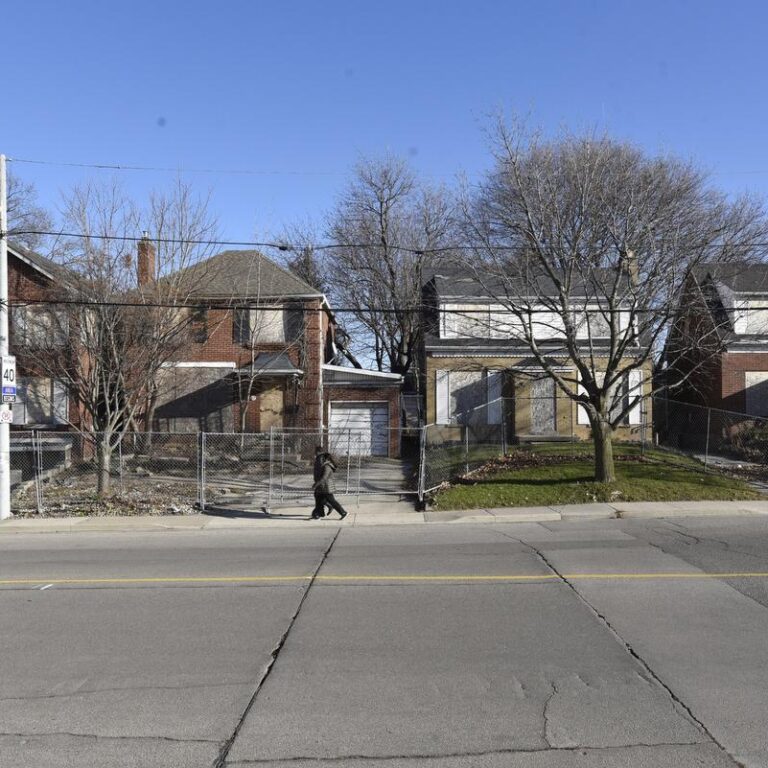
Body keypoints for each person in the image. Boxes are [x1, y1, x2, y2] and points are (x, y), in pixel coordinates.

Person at [311, 452, 347, 520]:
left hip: (327, 487)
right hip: (323, 487)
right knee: (319, 499)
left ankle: (343, 512)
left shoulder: (327, 466)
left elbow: (324, 478)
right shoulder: (324, 466)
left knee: (332, 501)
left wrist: (316, 484)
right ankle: (319, 514)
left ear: (324, 459)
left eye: (320, 459)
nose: (318, 460)